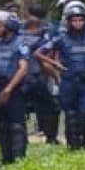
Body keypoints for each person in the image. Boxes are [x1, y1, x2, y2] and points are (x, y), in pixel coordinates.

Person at [36, 2, 85, 150]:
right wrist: (54, 65)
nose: (78, 23)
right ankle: (73, 146)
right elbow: (38, 53)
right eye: (74, 20)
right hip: (69, 83)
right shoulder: (61, 39)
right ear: (68, 22)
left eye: (81, 20)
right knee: (71, 117)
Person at [0, 15, 30, 162]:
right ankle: (6, 158)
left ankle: (18, 159)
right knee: (3, 125)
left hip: (15, 88)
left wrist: (9, 89)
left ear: (8, 28)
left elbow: (23, 68)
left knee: (17, 125)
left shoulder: (20, 43)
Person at [20, 16, 59, 144]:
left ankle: (20, 139)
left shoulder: (17, 40)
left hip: (19, 80)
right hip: (35, 79)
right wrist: (57, 77)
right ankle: (51, 138)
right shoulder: (39, 41)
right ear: (34, 28)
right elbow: (45, 64)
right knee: (51, 107)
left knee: (18, 111)